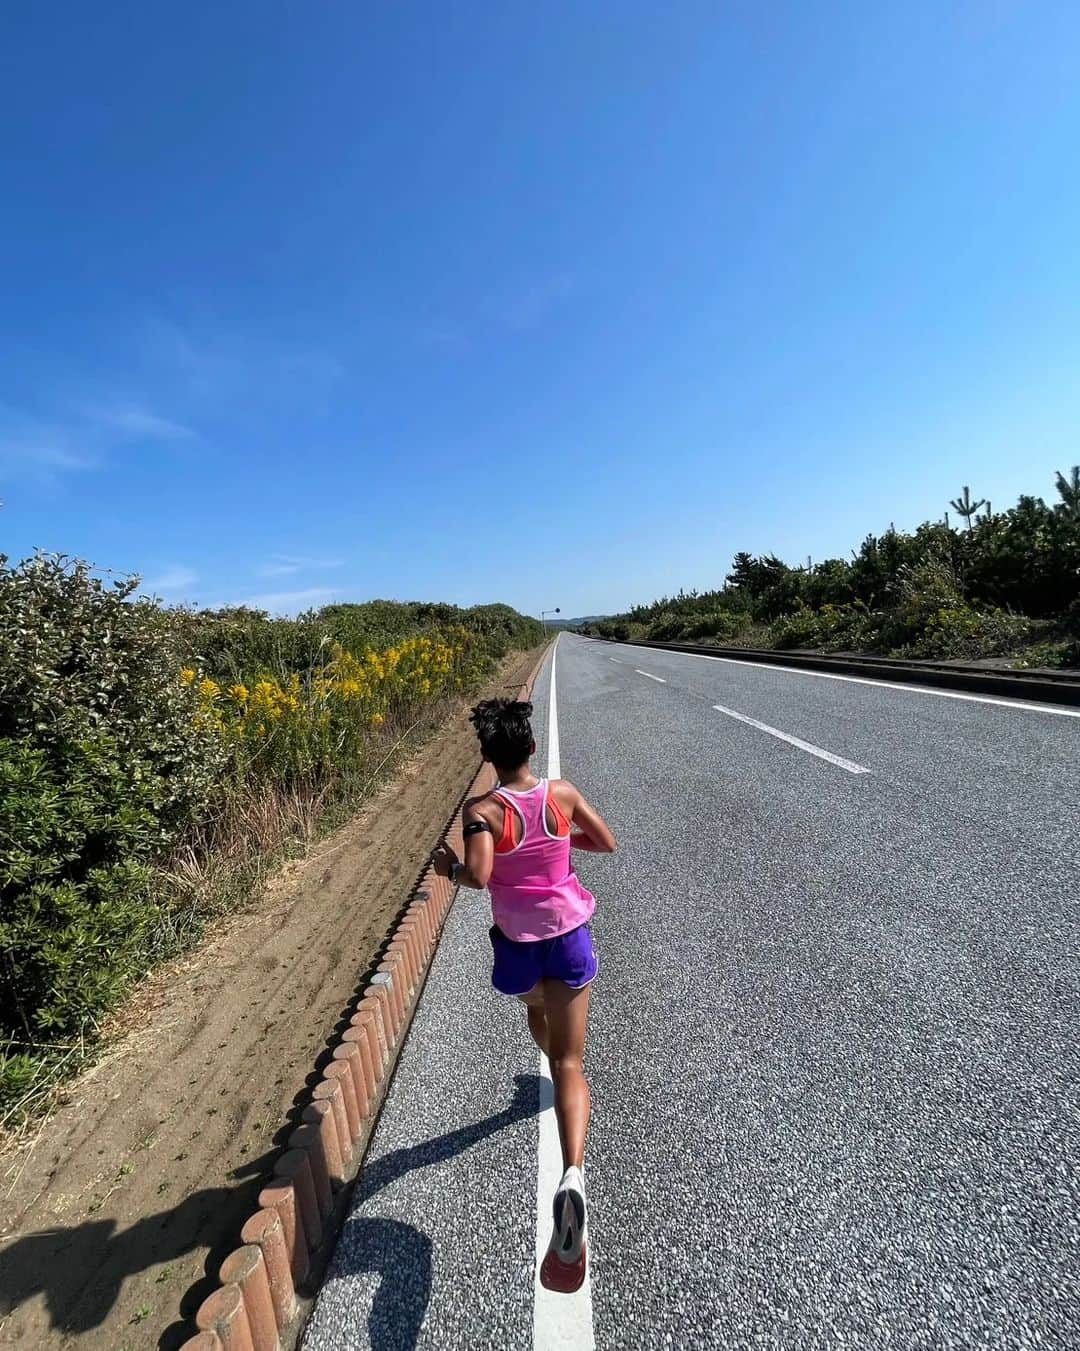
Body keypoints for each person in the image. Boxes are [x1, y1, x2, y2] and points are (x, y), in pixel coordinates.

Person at [432, 697, 616, 1294]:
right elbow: (605, 842)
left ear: (487, 755)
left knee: (537, 1015)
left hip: (518, 946)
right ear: (531, 749)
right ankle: (573, 1176)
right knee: (571, 1061)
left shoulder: (481, 810)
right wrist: (561, 851)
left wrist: (448, 869)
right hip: (569, 935)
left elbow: (480, 876)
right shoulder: (559, 795)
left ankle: (548, 1067)